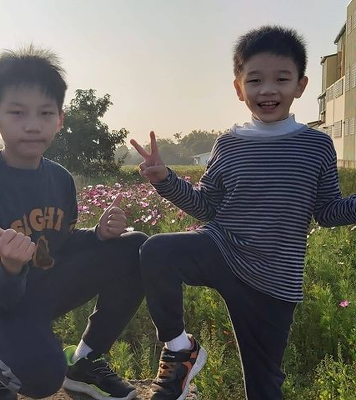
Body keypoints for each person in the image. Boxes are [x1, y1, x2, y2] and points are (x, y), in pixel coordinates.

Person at [130, 25, 356, 400]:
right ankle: (180, 350)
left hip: (274, 278)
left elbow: (328, 211)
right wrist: (164, 178)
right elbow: (206, 205)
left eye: (281, 79)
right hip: (222, 249)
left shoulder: (316, 146)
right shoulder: (229, 144)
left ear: (300, 85)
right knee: (157, 251)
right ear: (239, 88)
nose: (268, 90)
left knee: (263, 385)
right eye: (255, 80)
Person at [0, 45, 147, 400]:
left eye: (45, 113)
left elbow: (59, 246)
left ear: (60, 119)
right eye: (17, 113)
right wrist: (10, 266)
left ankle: (86, 362)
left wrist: (98, 234)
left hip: (37, 288)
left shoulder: (59, 179)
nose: (33, 125)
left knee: (136, 247)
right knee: (42, 379)